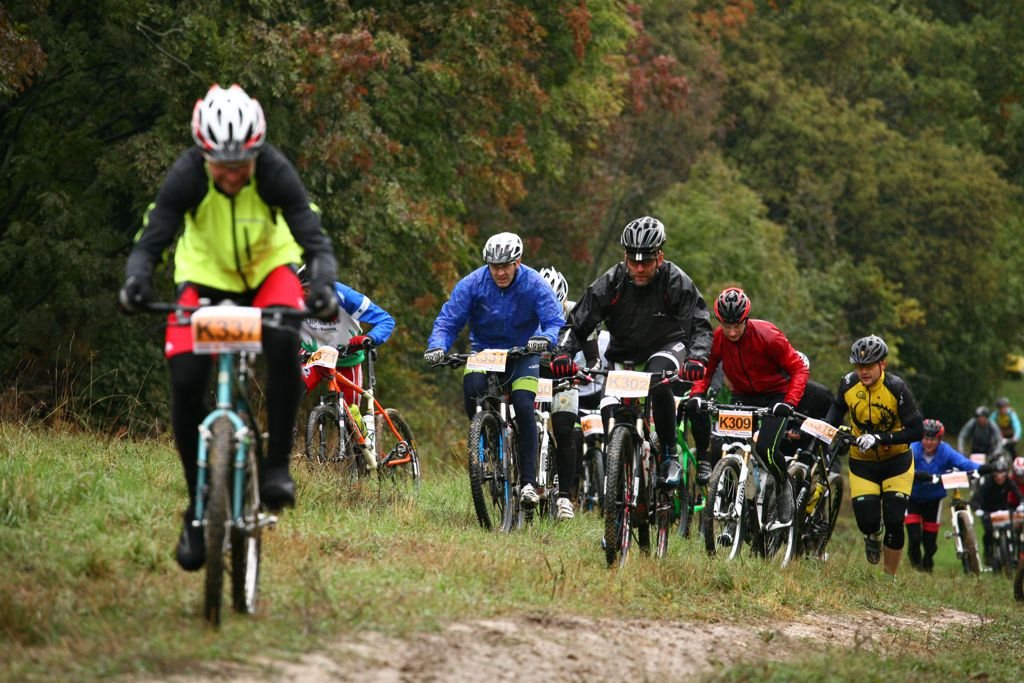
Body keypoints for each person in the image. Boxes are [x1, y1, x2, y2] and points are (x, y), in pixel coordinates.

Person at [118, 84, 339, 571]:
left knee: (284, 341)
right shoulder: (186, 175)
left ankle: (277, 464)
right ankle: (198, 511)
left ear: (257, 153)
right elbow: (153, 236)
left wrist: (322, 285)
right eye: (223, 165)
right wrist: (136, 280)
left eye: (243, 165)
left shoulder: (276, 171)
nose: (234, 174)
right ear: (204, 155)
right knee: (185, 379)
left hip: (268, 275)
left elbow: (314, 238)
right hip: (205, 279)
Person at [549, 216, 713, 490]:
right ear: (625, 257)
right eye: (633, 261)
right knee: (608, 409)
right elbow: (577, 324)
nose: (638, 268)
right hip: (624, 352)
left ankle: (669, 456)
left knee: (657, 378)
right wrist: (563, 354)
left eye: (646, 262)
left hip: (667, 346)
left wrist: (697, 358)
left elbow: (700, 325)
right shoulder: (611, 282)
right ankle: (619, 476)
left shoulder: (676, 281)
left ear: (659, 257)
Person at [424, 233, 565, 508]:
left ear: (518, 262)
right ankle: (488, 444)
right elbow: (448, 321)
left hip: (524, 352)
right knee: (472, 392)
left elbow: (553, 319)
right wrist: (437, 346)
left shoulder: (533, 283)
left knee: (524, 405)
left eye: (506, 266)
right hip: (485, 352)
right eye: (494, 266)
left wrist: (545, 339)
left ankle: (527, 483)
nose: (500, 272)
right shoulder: (473, 283)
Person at [686, 287, 808, 527]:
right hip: (742, 395)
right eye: (726, 325)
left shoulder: (769, 336)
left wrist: (789, 403)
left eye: (737, 325)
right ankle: (737, 505)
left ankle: (783, 486)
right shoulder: (719, 338)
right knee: (725, 446)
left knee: (766, 449)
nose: (731, 331)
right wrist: (697, 393)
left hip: (776, 396)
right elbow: (707, 370)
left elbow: (799, 369)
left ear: (746, 319)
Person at [825, 335, 924, 578]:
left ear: (883, 365)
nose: (863, 371)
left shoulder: (897, 388)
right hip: (863, 463)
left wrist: (881, 439)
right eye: (859, 366)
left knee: (894, 519)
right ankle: (872, 535)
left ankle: (887, 577)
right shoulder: (848, 384)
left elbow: (917, 430)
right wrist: (825, 431)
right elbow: (834, 415)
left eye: (868, 366)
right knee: (867, 522)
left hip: (897, 463)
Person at [296, 264, 395, 408]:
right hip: (314, 356)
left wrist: (370, 338)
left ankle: (359, 428)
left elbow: (386, 320)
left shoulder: (345, 296)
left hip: (347, 359)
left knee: (352, 418)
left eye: (307, 290)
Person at [905, 419, 991, 572]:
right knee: (914, 537)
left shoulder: (945, 451)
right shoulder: (913, 449)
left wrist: (985, 468)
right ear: (921, 437)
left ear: (939, 439)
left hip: (934, 500)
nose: (929, 442)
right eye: (926, 438)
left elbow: (964, 464)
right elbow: (903, 466)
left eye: (933, 439)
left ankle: (928, 561)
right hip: (912, 498)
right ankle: (915, 565)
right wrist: (917, 475)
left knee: (930, 543)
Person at [971, 457, 1024, 569]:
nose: (1000, 477)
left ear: (1006, 473)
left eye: (1002, 473)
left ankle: (1013, 554)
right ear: (993, 474)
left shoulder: (1009, 482)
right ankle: (988, 553)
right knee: (989, 532)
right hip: (987, 511)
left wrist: (1021, 504)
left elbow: (1018, 494)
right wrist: (978, 510)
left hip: (1003, 510)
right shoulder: (987, 483)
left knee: (1013, 530)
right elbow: (976, 498)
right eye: (997, 474)